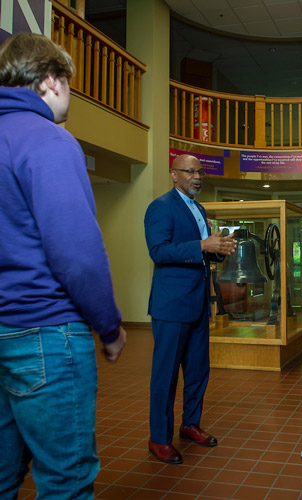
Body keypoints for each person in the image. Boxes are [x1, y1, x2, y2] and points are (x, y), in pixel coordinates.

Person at [0, 33, 126, 499]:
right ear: (51, 81)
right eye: (70, 84)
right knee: (65, 480)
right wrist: (109, 327)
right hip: (44, 333)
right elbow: (75, 253)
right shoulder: (49, 139)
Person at [144, 154, 237, 464]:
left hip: (198, 305)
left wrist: (220, 250)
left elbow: (204, 253)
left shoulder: (200, 209)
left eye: (200, 172)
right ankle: (159, 439)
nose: (197, 176)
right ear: (174, 175)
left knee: (198, 371)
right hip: (171, 307)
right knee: (165, 376)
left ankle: (190, 424)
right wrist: (202, 246)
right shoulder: (161, 207)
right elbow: (158, 251)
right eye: (190, 172)